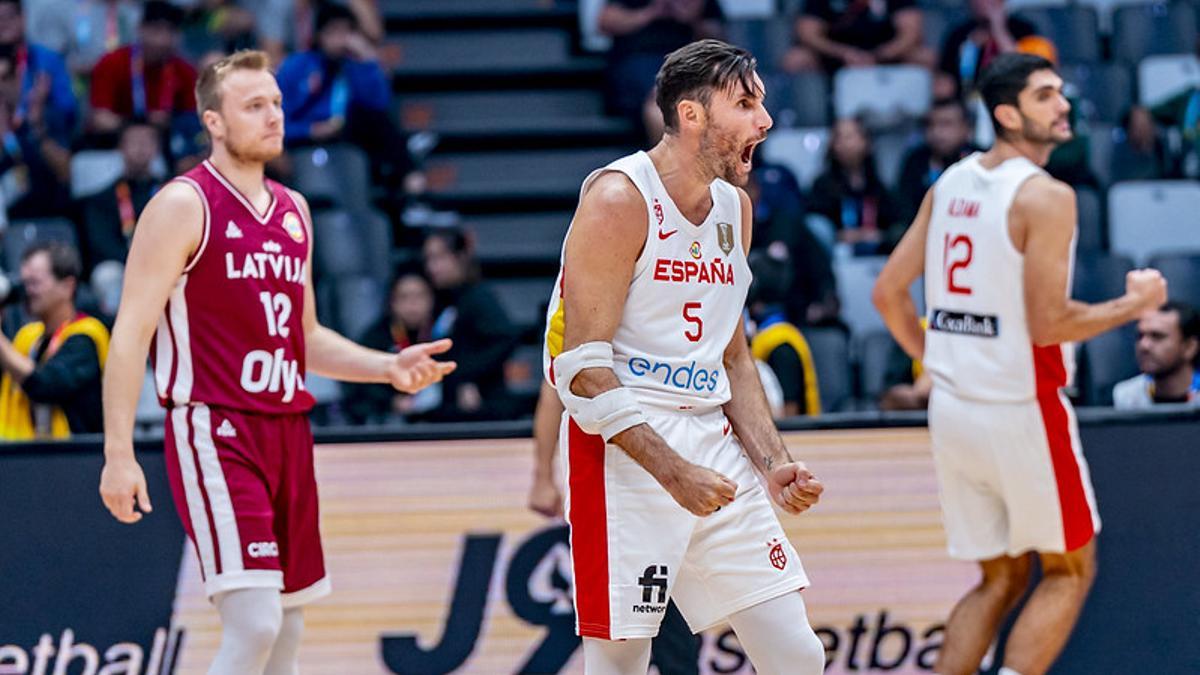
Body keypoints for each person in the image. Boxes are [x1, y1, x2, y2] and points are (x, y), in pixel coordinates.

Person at [96, 50, 455, 675]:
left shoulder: (295, 211)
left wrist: (387, 366)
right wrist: (119, 453)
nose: (273, 117)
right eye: (253, 106)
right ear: (213, 121)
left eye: (277, 104)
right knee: (255, 620)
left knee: (287, 631)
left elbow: (306, 336)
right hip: (216, 424)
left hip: (287, 429)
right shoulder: (184, 204)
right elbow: (130, 333)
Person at [872, 53, 1168, 675]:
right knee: (1070, 567)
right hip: (1019, 408)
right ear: (1007, 113)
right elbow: (1050, 324)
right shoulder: (1046, 196)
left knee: (998, 577)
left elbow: (887, 294)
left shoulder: (950, 181)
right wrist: (1133, 304)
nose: (1063, 105)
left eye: (1061, 92)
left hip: (952, 409)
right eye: (1044, 96)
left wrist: (938, 361)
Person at [542, 39, 825, 674]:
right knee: (620, 662)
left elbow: (734, 357)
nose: (766, 121)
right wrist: (674, 473)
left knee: (799, 656)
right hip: (622, 449)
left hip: (710, 436)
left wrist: (773, 462)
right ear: (692, 115)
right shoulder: (619, 198)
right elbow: (581, 369)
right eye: (746, 104)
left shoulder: (736, 209)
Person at [527, 381, 703, 675]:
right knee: (619, 636)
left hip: (682, 474)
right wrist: (542, 476)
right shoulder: (579, 340)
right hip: (615, 485)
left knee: (680, 641)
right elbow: (553, 387)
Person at [275, 3, 414, 194]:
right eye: (333, 32)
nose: (339, 40)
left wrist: (366, 60)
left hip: (346, 137)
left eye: (346, 32)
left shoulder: (354, 66)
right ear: (319, 34)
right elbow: (278, 119)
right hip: (302, 140)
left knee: (378, 121)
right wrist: (310, 130)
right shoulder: (296, 67)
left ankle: (410, 186)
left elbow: (378, 103)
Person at [0, 242, 108, 439]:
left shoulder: (86, 337)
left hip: (76, 458)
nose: (27, 292)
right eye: (24, 283)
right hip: (24, 458)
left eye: (35, 283)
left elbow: (45, 385)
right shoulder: (27, 337)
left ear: (67, 286)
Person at [88, 0, 203, 168]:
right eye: (156, 30)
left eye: (170, 31)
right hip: (115, 145)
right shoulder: (112, 63)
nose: (162, 40)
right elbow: (100, 119)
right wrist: (141, 122)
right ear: (140, 29)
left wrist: (169, 123)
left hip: (166, 146)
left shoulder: (185, 71)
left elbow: (192, 120)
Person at [421, 228, 518, 421]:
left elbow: (505, 337)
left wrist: (468, 377)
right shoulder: (445, 299)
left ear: (461, 257)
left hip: (481, 404)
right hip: (449, 401)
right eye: (429, 259)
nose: (433, 267)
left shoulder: (478, 298)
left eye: (439, 257)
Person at [597, 0, 724, 142]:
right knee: (662, 102)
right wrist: (651, 13)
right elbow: (605, 22)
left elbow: (718, 39)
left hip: (688, 57)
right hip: (640, 56)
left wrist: (692, 17)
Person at [342, 269, 440, 424]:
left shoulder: (443, 331)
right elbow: (360, 382)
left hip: (438, 418)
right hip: (387, 420)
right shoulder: (375, 337)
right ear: (392, 302)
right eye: (404, 297)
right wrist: (391, 401)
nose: (413, 304)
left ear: (432, 299)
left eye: (419, 296)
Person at [809, 116, 902, 256]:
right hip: (836, 251)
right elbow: (817, 222)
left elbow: (895, 220)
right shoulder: (822, 184)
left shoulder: (878, 185)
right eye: (838, 138)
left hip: (878, 247)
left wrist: (876, 235)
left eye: (849, 137)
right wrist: (842, 235)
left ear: (866, 141)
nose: (843, 144)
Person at [784, 0, 932, 74]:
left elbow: (911, 32)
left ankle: (928, 119)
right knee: (796, 59)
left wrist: (878, 55)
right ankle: (812, 116)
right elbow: (807, 32)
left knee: (925, 57)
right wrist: (844, 53)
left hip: (886, 56)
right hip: (835, 56)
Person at [895, 97, 978, 227]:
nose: (937, 132)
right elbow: (904, 210)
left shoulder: (981, 158)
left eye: (946, 124)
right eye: (931, 124)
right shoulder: (915, 161)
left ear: (966, 128)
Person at [936, 0, 1037, 99]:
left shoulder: (1023, 29)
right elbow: (945, 79)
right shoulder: (959, 35)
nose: (982, 3)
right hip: (967, 103)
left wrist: (998, 29)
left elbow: (1021, 68)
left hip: (1011, 99)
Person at [1112, 301, 1200, 409]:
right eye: (1140, 336)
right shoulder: (1125, 398)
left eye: (1157, 336)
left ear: (1189, 347)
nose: (1143, 346)